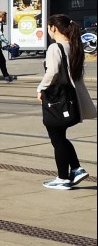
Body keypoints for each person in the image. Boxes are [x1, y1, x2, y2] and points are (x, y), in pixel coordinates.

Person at [36, 14, 96, 190]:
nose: (47, 31)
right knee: (60, 137)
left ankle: (63, 178)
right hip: (72, 99)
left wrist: (40, 88)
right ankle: (76, 169)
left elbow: (53, 71)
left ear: (54, 28)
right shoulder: (73, 46)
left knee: (57, 138)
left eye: (48, 27)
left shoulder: (55, 48)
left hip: (57, 99)